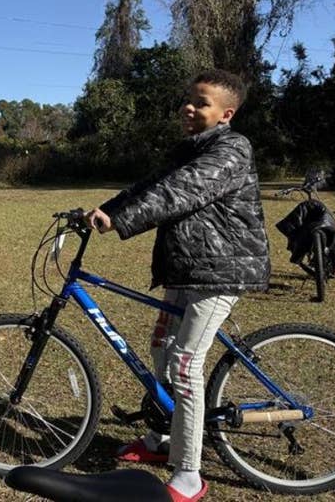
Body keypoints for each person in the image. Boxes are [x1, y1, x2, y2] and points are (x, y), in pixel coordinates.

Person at [84, 69, 270, 502]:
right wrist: (105, 209)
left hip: (221, 272)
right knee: (161, 348)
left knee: (186, 363)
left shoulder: (232, 148)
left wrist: (120, 220)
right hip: (189, 269)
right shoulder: (188, 148)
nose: (189, 107)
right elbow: (154, 185)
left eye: (201, 102)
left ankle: (189, 474)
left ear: (226, 114)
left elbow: (180, 192)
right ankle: (162, 438)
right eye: (188, 99)